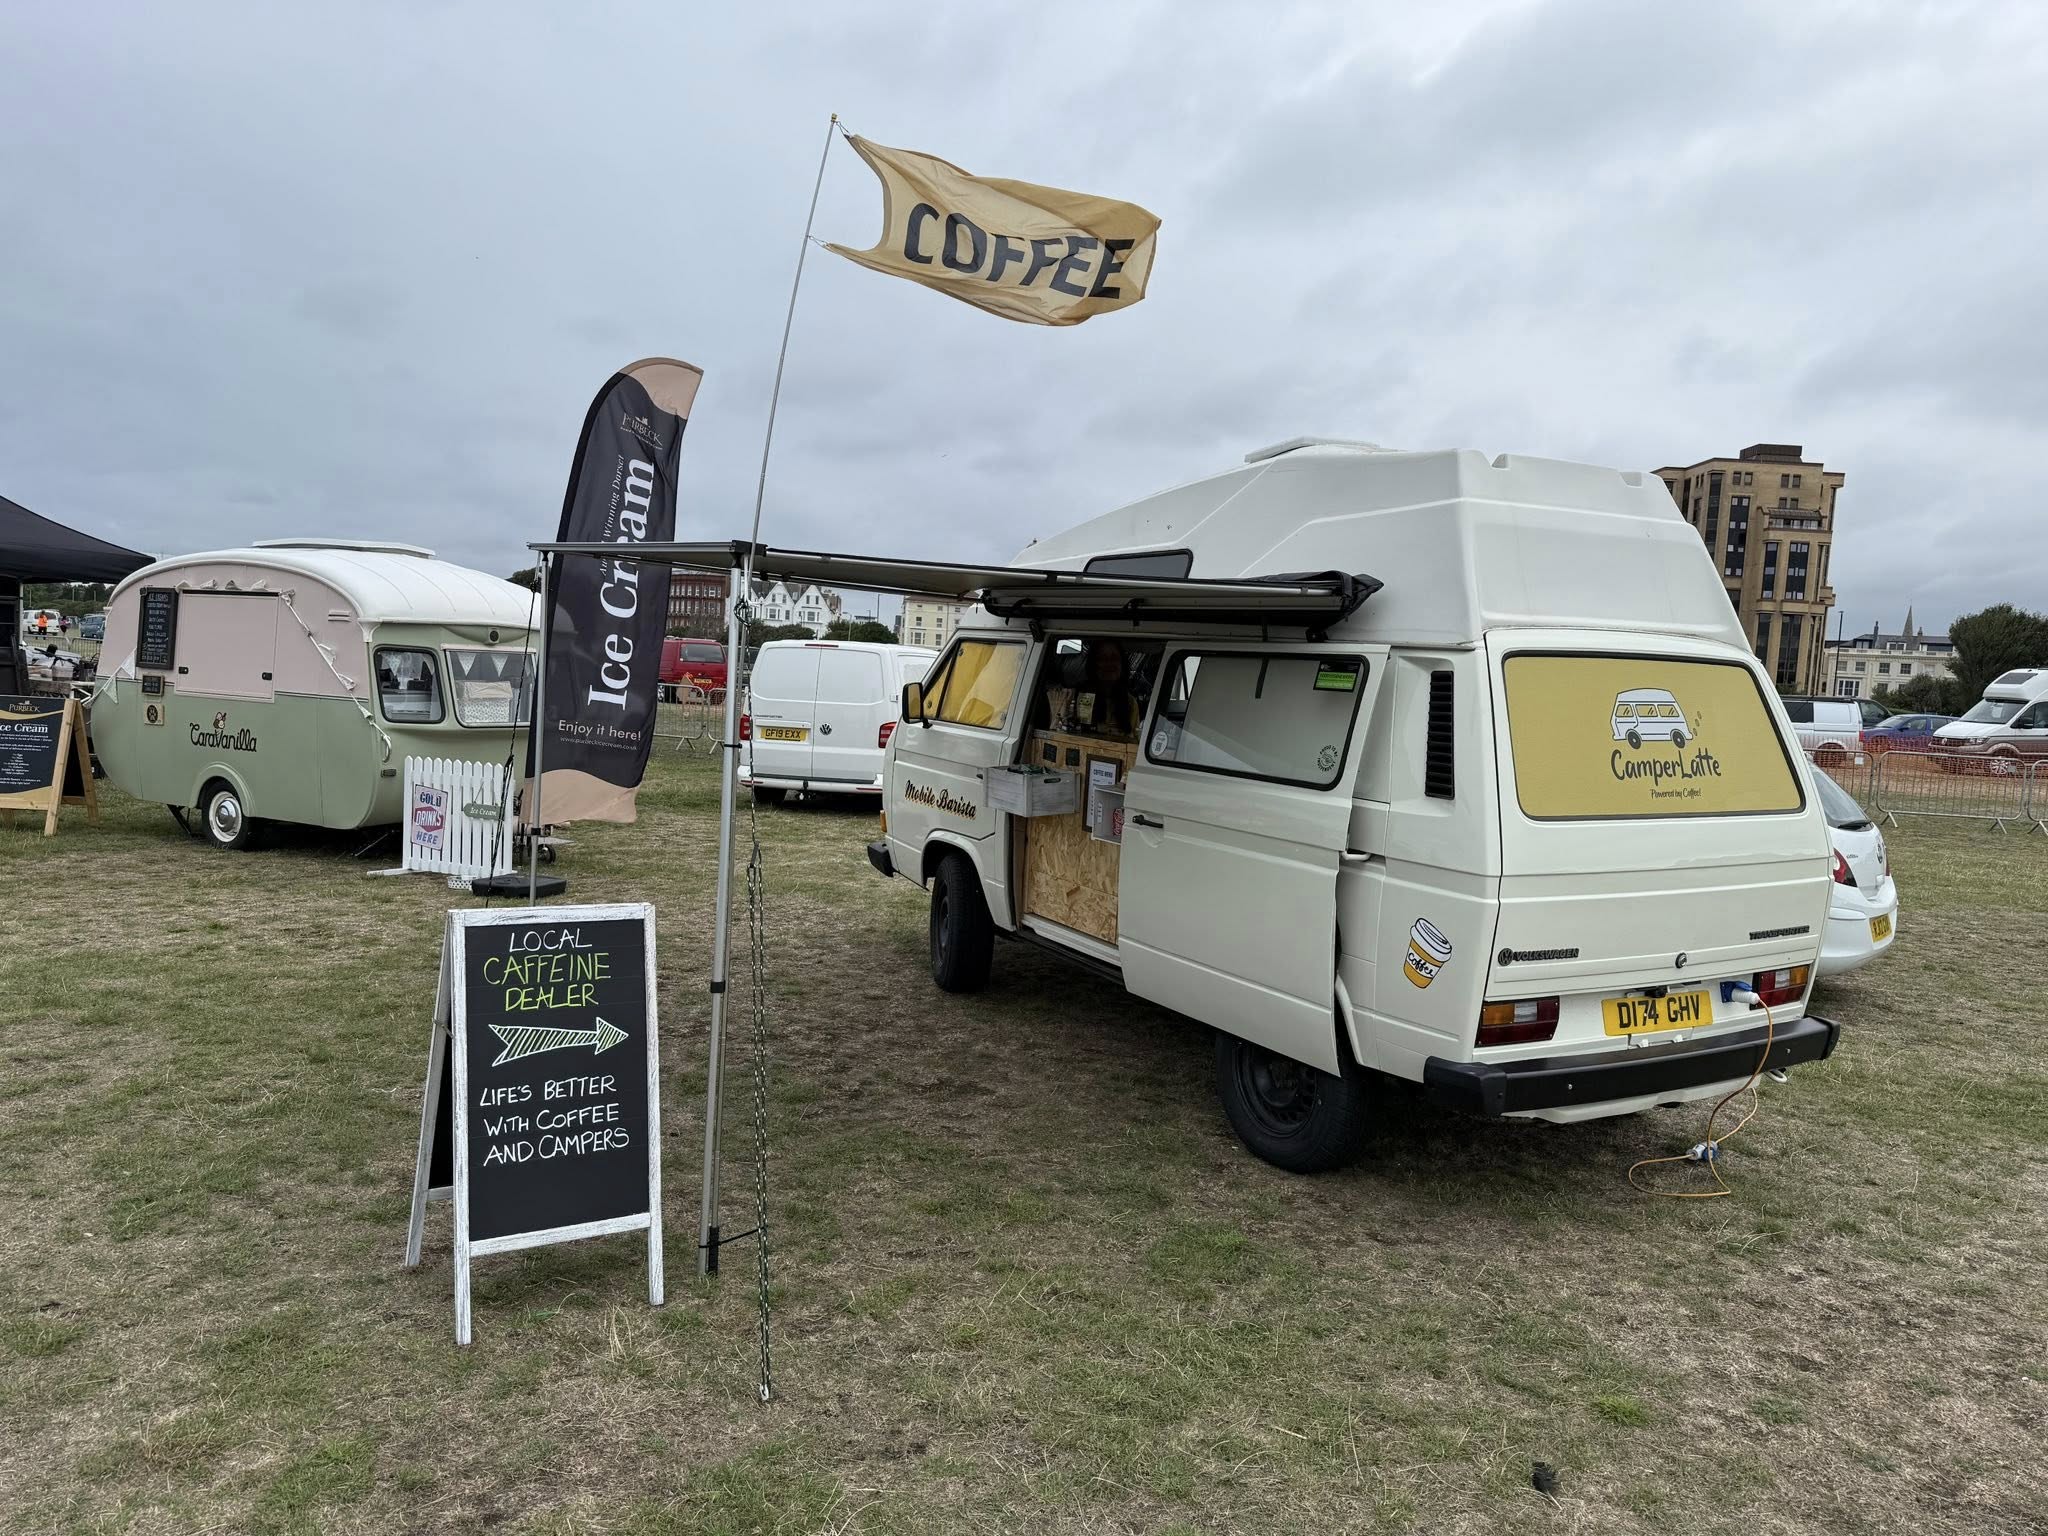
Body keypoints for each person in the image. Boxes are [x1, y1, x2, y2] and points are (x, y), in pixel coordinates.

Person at [1077, 640, 1141, 739]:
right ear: (1094, 665)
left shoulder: (1130, 703)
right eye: (1102, 658)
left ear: (1122, 664)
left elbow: (1133, 738)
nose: (1109, 663)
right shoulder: (1085, 697)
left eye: (1114, 658)